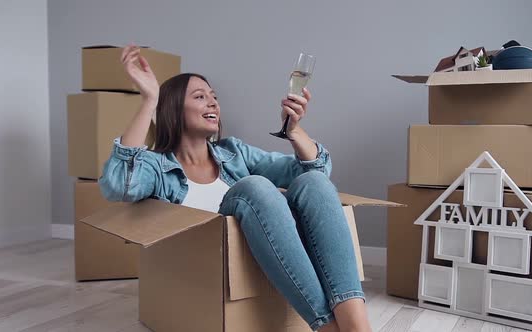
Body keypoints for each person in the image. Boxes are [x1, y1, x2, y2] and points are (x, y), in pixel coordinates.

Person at [99, 44, 372, 332]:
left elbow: (317, 173)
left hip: (268, 259)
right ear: (172, 109)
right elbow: (119, 185)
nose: (214, 103)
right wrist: (149, 101)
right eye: (200, 97)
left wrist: (293, 131)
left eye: (214, 97)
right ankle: (329, 328)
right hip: (207, 269)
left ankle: (356, 327)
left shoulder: (234, 153)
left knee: (313, 182)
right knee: (254, 187)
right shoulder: (157, 167)